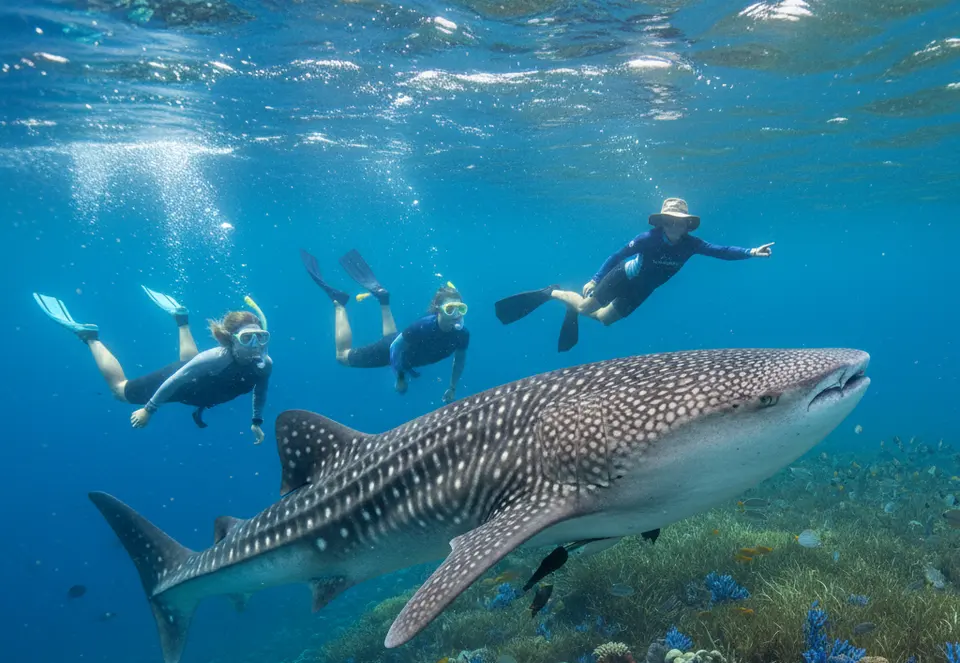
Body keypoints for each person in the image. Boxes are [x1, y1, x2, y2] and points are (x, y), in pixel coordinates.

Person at [495, 198, 774, 351]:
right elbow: (617, 256)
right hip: (623, 277)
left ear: (687, 225)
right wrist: (595, 278)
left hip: (643, 290)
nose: (673, 225)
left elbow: (721, 251)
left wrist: (751, 252)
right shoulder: (647, 239)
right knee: (584, 305)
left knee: (604, 320)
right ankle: (551, 292)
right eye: (668, 221)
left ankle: (572, 305)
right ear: (662, 221)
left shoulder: (693, 245)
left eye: (678, 222)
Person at [33, 286, 272, 441]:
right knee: (120, 390)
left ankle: (181, 319)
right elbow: (176, 379)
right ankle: (90, 337)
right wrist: (148, 410)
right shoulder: (213, 359)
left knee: (190, 362)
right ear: (230, 340)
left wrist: (256, 421)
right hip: (181, 384)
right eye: (247, 338)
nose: (255, 345)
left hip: (198, 384)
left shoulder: (264, 364)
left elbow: (260, 392)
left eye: (260, 337)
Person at [300, 248, 469, 403]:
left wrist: (453, 387)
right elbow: (394, 348)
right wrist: (400, 377)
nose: (456, 315)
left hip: (401, 343)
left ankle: (383, 299)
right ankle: (339, 304)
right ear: (438, 310)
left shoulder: (462, 334)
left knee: (392, 336)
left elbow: (459, 362)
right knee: (342, 357)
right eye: (450, 309)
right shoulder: (422, 327)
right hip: (391, 350)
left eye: (461, 309)